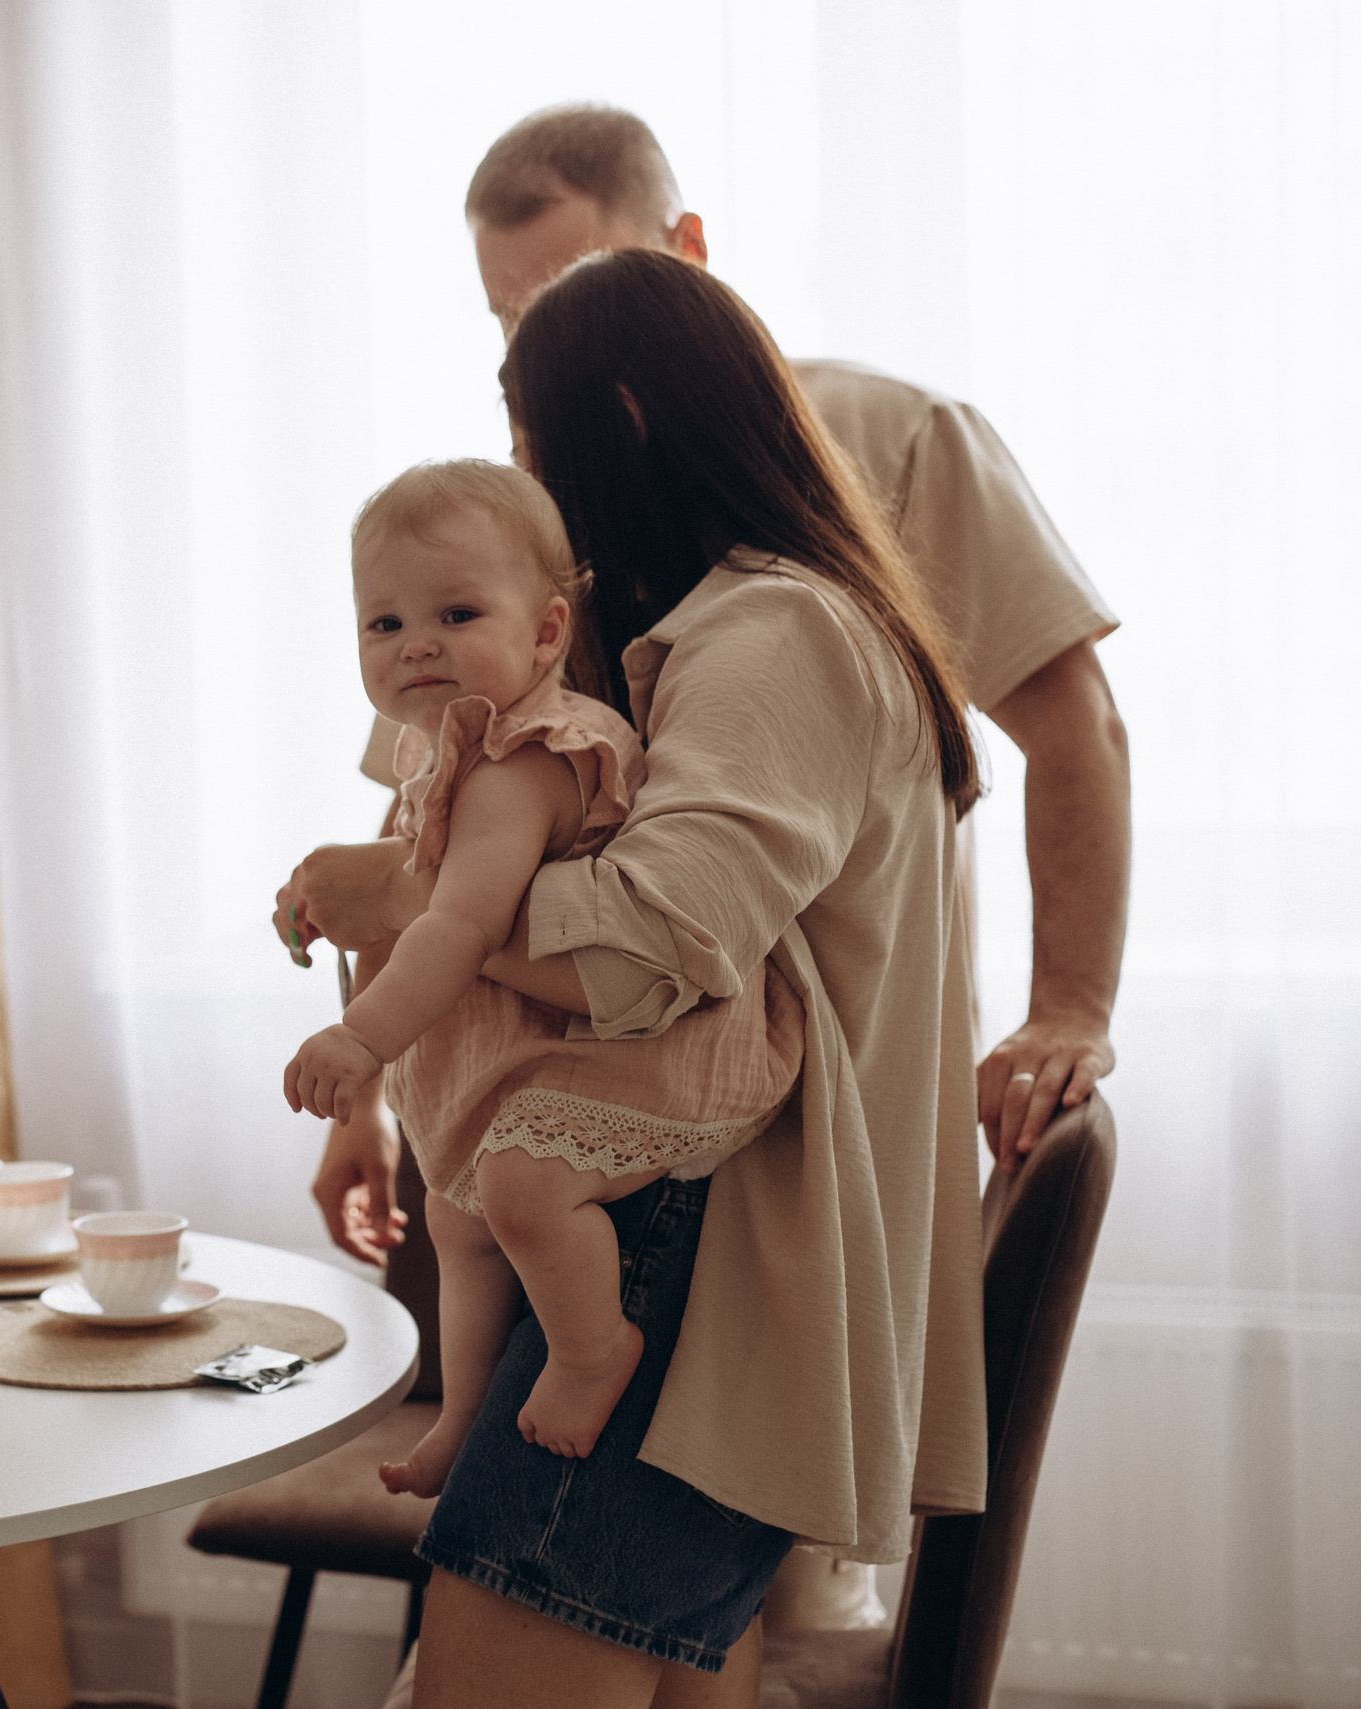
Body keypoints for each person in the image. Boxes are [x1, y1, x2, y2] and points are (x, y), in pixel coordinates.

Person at [288, 247, 989, 1707]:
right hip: (682, 1230)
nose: (525, 475)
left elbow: (663, 941)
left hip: (691, 1242)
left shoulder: (776, 630)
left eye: (530, 435)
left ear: (618, 417)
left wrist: (409, 897)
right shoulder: (719, 636)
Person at [303, 104, 1127, 1283]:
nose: (546, 349)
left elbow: (1074, 724)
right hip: (559, 1120)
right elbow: (419, 805)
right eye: (512, 319)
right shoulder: (520, 513)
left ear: (684, 247)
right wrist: (364, 1096)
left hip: (793, 1086)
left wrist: (1068, 1009)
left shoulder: (891, 449)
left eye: (574, 293)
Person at [283, 459, 799, 1481]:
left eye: (456, 612)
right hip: (534, 1045)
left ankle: (591, 1346)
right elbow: (391, 914)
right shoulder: (435, 755)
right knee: (454, 1211)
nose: (415, 642)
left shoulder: (526, 755)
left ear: (547, 632)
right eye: (381, 624)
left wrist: (359, 1040)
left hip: (639, 1044)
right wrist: (364, 1101)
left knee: (518, 1185)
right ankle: (465, 1412)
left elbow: (457, 923)